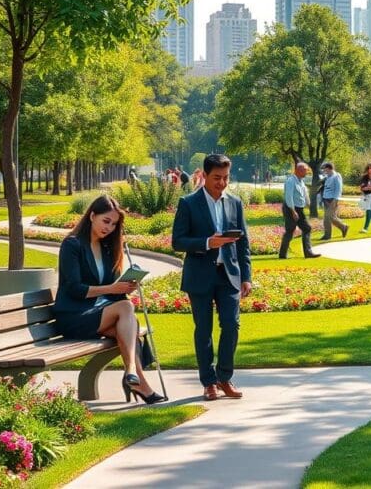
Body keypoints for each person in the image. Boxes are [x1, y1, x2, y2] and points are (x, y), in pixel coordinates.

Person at [54, 195, 165, 404]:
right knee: (126, 309)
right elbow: (74, 289)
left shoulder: (106, 248)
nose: (109, 228)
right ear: (92, 216)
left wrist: (126, 286)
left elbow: (113, 294)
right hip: (72, 316)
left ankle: (138, 382)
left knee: (127, 326)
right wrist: (113, 289)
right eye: (106, 221)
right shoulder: (72, 244)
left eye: (114, 224)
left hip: (95, 314)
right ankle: (131, 373)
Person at [172, 154, 253, 401]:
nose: (222, 183)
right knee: (203, 330)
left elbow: (244, 243)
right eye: (217, 177)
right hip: (200, 275)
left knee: (232, 324)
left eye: (226, 177)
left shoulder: (235, 203)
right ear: (204, 176)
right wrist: (208, 242)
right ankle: (208, 382)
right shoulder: (188, 203)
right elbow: (178, 241)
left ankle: (224, 377)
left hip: (229, 275)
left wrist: (246, 277)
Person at [279, 162, 321, 259]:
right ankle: (282, 254)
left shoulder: (301, 181)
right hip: (291, 208)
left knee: (307, 228)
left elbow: (304, 194)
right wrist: (293, 211)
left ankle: (308, 253)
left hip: (299, 209)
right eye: (305, 171)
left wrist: (308, 203)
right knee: (290, 230)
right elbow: (289, 197)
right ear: (298, 170)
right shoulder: (291, 181)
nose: (306, 173)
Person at [319, 162, 348, 240]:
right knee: (326, 219)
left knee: (330, 217)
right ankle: (327, 235)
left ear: (328, 168)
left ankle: (344, 227)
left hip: (332, 199)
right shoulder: (327, 176)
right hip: (326, 199)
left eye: (324, 168)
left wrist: (335, 200)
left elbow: (338, 189)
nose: (323, 170)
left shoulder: (336, 176)